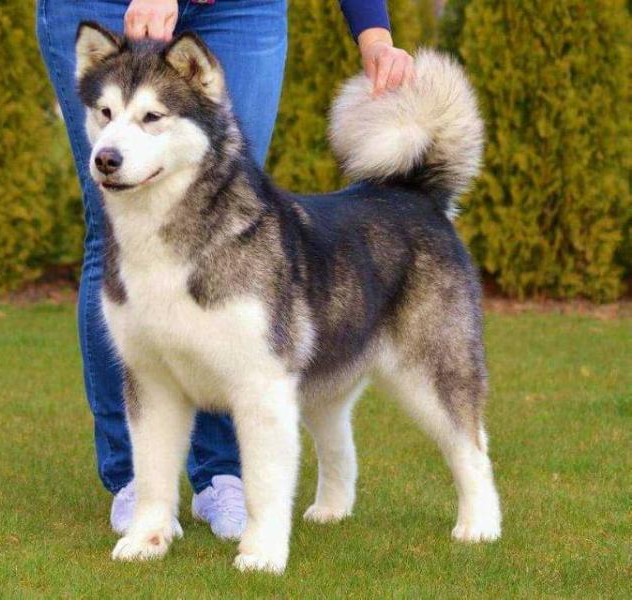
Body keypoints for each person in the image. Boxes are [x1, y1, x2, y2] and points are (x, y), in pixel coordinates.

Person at [36, 0, 413, 541]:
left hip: (236, 9)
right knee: (113, 219)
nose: (114, 137)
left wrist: (373, 33)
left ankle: (223, 475)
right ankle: (140, 489)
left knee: (229, 205)